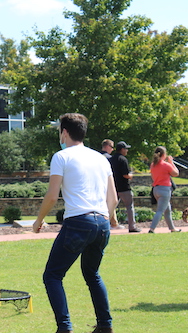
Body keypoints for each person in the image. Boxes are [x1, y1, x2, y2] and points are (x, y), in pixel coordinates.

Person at [33, 113, 117, 333]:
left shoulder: (61, 156)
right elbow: (114, 199)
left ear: (65, 132)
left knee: (52, 276)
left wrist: (38, 220)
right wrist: (108, 217)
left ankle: (65, 327)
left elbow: (52, 196)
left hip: (79, 222)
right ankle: (105, 326)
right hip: (102, 223)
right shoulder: (101, 158)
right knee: (92, 274)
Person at [109, 141, 141, 232]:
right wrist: (131, 175)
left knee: (110, 207)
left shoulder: (110, 159)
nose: (127, 150)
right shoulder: (123, 159)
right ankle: (132, 227)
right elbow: (125, 175)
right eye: (126, 149)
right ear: (122, 149)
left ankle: (104, 225)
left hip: (114, 187)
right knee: (129, 207)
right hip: (124, 187)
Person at [148, 146, 180, 233]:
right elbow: (176, 173)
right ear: (163, 154)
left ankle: (172, 228)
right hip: (165, 189)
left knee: (167, 209)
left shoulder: (153, 165)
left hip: (156, 189)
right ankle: (152, 229)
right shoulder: (166, 165)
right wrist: (171, 162)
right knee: (160, 211)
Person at [100, 139, 124, 230]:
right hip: (106, 183)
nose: (113, 149)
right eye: (112, 147)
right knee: (111, 201)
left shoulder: (97, 156)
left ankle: (113, 222)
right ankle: (112, 223)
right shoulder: (109, 158)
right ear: (107, 146)